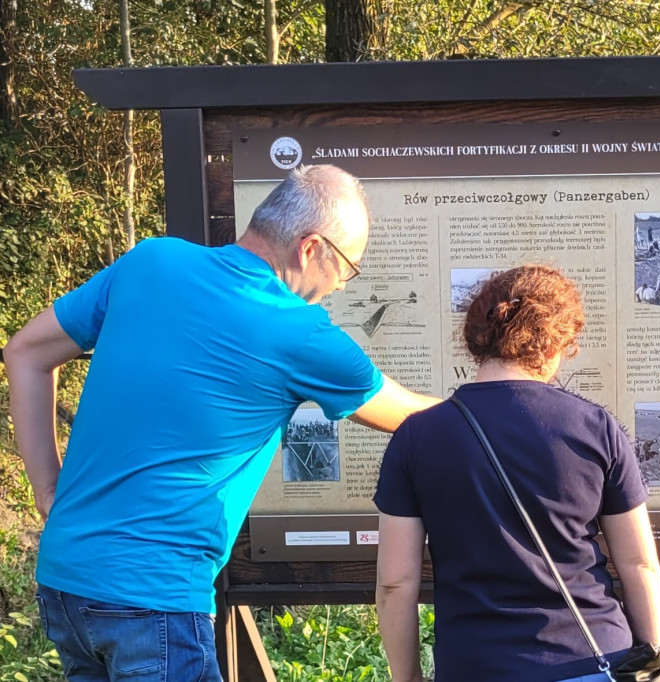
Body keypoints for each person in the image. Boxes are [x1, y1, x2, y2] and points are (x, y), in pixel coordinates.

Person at [4, 164, 440, 681]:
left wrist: (47, 488)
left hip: (65, 580)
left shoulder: (151, 261)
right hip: (156, 601)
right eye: (347, 269)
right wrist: (514, 398)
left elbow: (25, 352)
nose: (340, 286)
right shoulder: (297, 331)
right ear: (311, 248)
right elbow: (412, 416)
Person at [374, 265, 660, 682]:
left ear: (478, 341)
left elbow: (396, 584)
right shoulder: (596, 427)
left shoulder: (416, 437)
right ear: (552, 345)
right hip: (594, 657)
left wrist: (407, 678)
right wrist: (653, 659)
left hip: (475, 665)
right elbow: (639, 564)